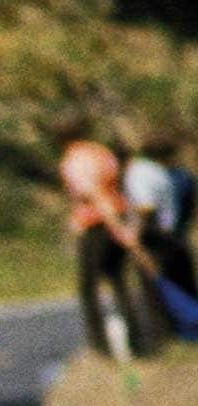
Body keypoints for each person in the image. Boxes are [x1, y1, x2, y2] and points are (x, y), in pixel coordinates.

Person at [60, 128, 158, 358]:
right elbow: (115, 186)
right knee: (118, 280)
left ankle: (100, 344)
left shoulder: (74, 160)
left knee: (88, 286)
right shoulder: (102, 153)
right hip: (118, 212)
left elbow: (96, 195)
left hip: (97, 223)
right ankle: (136, 339)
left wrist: (115, 226)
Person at [126, 135, 197, 301]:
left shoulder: (142, 172)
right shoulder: (183, 175)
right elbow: (191, 208)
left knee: (158, 290)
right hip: (178, 235)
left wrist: (134, 233)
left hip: (156, 236)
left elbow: (145, 208)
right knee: (187, 286)